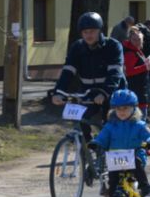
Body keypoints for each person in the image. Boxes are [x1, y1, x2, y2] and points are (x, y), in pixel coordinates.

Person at [52, 12, 127, 141]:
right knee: (80, 117)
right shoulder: (77, 47)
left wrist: (105, 93)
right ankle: (85, 147)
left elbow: (115, 74)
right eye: (85, 32)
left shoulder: (113, 46)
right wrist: (58, 92)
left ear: (100, 30)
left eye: (92, 31)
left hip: (112, 91)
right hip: (88, 91)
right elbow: (68, 72)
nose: (88, 35)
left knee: (111, 125)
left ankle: (108, 147)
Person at [88, 90, 150, 197]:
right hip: (116, 160)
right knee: (113, 186)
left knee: (137, 163)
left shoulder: (139, 125)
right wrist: (96, 143)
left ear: (134, 108)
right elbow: (102, 137)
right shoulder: (110, 126)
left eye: (125, 108)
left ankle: (146, 189)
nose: (122, 112)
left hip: (135, 158)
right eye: (118, 109)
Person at [122, 26, 150, 121]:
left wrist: (148, 66)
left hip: (139, 91)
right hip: (135, 93)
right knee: (139, 122)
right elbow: (127, 72)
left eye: (139, 39)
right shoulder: (130, 53)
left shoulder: (137, 51)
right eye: (134, 40)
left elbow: (139, 70)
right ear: (130, 40)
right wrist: (145, 67)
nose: (137, 42)